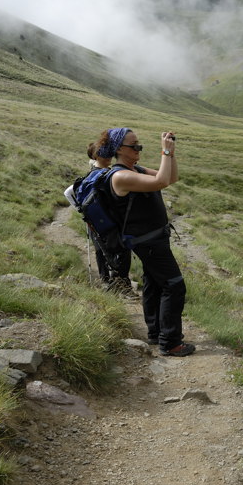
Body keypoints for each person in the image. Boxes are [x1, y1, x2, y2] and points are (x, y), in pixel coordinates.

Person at [97, 127, 195, 357]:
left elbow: (171, 178)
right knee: (174, 285)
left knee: (153, 281)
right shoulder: (120, 176)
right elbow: (160, 181)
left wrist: (172, 152)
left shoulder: (135, 169)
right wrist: (165, 153)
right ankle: (170, 343)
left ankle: (155, 332)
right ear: (120, 149)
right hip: (148, 241)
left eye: (139, 145)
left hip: (154, 238)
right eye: (135, 146)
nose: (139, 149)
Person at [85, 140, 135, 296]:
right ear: (96, 155)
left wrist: (83, 211)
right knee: (120, 251)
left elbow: (70, 192)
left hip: (96, 222)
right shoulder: (104, 174)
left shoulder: (92, 174)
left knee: (103, 251)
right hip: (110, 222)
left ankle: (108, 281)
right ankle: (121, 286)